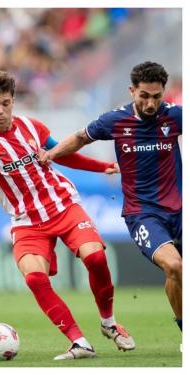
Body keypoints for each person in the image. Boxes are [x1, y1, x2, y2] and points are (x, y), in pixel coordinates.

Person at [0, 70, 135, 360]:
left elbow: (62, 153)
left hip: (64, 205)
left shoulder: (31, 126)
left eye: (5, 103)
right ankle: (79, 342)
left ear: (13, 101)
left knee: (95, 257)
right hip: (26, 222)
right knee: (34, 278)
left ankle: (108, 323)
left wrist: (101, 166)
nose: (0, 111)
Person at [40, 61, 182, 333]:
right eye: (144, 96)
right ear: (132, 91)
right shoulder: (116, 120)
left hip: (180, 209)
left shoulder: (175, 116)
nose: (151, 103)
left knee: (176, 270)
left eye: (156, 96)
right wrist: (51, 154)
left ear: (164, 92)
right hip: (143, 214)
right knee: (174, 265)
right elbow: (81, 137)